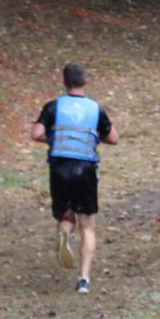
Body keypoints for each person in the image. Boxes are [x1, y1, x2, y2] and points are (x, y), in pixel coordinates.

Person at [30, 62, 119, 294]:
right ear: (85, 81)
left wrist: (52, 139)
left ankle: (65, 234)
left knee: (66, 215)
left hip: (59, 168)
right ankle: (84, 279)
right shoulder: (95, 109)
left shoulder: (53, 106)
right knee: (87, 225)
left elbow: (36, 134)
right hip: (85, 169)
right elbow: (113, 138)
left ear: (64, 82)